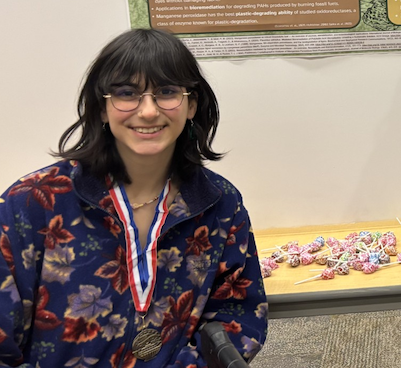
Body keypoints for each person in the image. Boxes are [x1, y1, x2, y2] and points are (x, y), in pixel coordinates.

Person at [0, 29, 267, 366]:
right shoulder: (32, 203)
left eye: (167, 92)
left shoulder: (220, 203)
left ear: (191, 105)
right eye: (127, 94)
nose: (149, 111)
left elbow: (239, 318)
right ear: (102, 108)